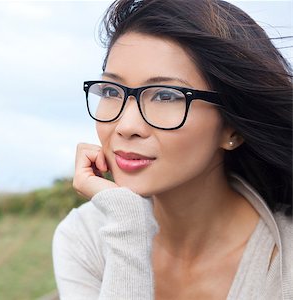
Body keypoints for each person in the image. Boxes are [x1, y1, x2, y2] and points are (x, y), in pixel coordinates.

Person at [52, 0, 292, 299]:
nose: (126, 126)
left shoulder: (284, 261)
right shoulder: (84, 236)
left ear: (233, 127)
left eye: (166, 96)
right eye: (112, 91)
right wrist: (129, 227)